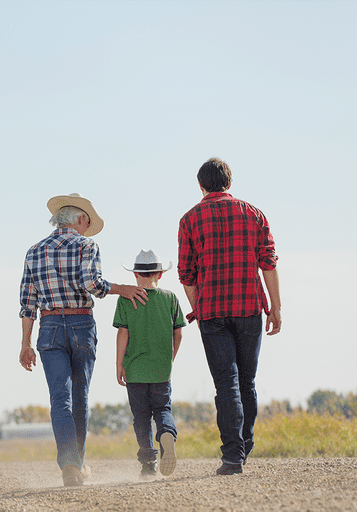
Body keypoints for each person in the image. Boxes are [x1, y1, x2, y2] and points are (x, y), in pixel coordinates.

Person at [19, 193, 149, 487]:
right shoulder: (86, 245)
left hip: (49, 325)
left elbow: (28, 303)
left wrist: (25, 343)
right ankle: (75, 464)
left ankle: (70, 464)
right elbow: (93, 285)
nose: (89, 229)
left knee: (59, 399)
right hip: (80, 323)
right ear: (80, 218)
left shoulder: (34, 251)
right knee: (79, 398)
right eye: (88, 223)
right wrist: (123, 289)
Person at [177, 158, 282, 476]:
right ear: (229, 183)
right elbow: (268, 263)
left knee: (226, 383)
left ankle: (233, 455)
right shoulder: (254, 213)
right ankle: (244, 445)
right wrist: (275, 307)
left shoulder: (189, 219)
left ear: (201, 186)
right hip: (249, 307)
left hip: (213, 313)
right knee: (246, 382)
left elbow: (186, 274)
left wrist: (199, 308)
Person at [113, 250, 186, 478]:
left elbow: (122, 334)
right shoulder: (170, 298)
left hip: (135, 370)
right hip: (161, 369)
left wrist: (119, 364)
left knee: (141, 417)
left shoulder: (126, 298)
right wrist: (169, 358)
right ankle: (166, 433)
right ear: (160, 274)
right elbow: (179, 334)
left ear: (136, 274)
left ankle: (148, 464)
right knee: (163, 409)